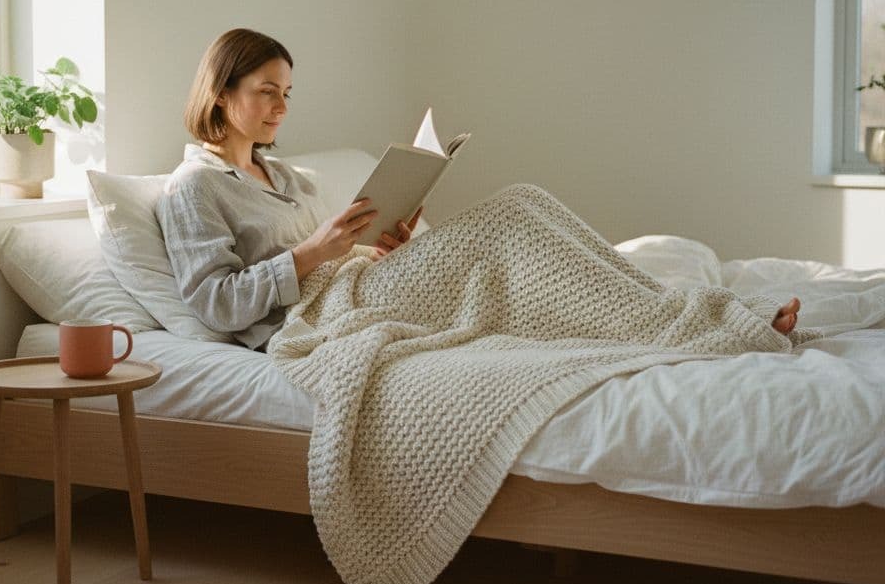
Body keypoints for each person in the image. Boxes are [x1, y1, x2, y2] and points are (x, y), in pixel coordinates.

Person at [157, 27, 800, 350]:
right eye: (267, 91)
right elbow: (213, 303)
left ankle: (690, 311)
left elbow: (333, 252)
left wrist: (381, 245)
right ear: (221, 92)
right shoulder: (195, 188)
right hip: (317, 316)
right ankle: (696, 324)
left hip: (354, 283)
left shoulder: (287, 175)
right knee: (512, 215)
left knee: (527, 203)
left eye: (287, 93)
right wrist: (316, 254)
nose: (281, 106)